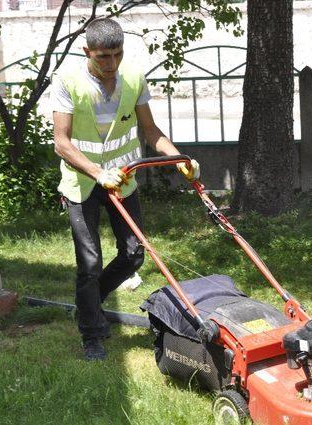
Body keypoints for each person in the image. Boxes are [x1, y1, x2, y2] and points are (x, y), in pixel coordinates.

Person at [51, 18, 199, 361]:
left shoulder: (132, 78)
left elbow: (151, 130)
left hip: (123, 179)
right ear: (87, 51)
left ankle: (88, 304)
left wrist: (179, 158)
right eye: (103, 56)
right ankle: (92, 333)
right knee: (89, 262)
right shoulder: (67, 81)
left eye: (116, 55)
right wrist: (96, 172)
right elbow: (62, 142)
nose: (111, 63)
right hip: (82, 182)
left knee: (134, 254)